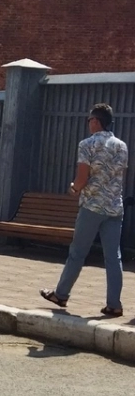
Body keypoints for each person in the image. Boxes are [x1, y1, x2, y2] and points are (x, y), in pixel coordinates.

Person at [41, 103, 130, 316]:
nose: (89, 123)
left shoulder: (87, 144)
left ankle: (61, 294)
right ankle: (114, 304)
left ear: (96, 121)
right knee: (113, 257)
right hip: (114, 208)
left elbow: (82, 178)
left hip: (92, 207)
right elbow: (119, 177)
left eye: (90, 119)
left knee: (78, 253)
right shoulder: (122, 146)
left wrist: (74, 189)